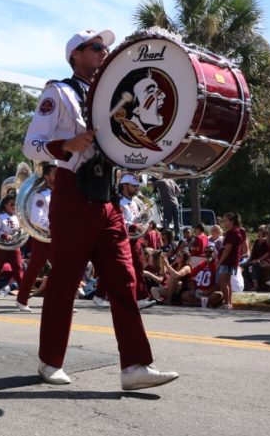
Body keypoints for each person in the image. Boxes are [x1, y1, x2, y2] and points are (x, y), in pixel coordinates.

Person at [22, 28, 177, 390]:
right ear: (75, 54)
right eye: (96, 47)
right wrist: (67, 144)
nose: (104, 52)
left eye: (105, 47)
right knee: (63, 281)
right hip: (74, 193)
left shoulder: (112, 97)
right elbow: (31, 145)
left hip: (107, 197)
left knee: (125, 279)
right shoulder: (58, 92)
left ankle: (134, 366)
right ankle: (50, 361)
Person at [15, 163, 55, 313]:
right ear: (46, 177)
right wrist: (54, 228)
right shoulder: (41, 195)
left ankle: (61, 302)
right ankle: (21, 300)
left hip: (57, 238)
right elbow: (36, 219)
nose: (58, 176)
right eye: (54, 173)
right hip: (43, 238)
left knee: (62, 269)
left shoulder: (63, 193)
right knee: (34, 268)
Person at [118, 174, 156, 309]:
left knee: (137, 267)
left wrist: (144, 221)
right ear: (124, 186)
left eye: (136, 186)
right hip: (124, 239)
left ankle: (139, 297)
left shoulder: (134, 202)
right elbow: (119, 221)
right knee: (130, 269)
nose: (136, 188)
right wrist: (134, 226)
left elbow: (135, 219)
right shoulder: (118, 202)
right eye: (133, 186)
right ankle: (139, 297)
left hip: (135, 239)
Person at [0, 196, 24, 299]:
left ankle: (24, 292)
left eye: (15, 204)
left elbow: (21, 229)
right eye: (11, 204)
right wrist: (4, 236)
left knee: (18, 268)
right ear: (5, 205)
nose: (14, 206)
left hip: (14, 246)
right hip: (2, 246)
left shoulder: (17, 216)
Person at [217, 212, 247, 309]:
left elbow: (227, 248)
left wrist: (220, 262)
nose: (223, 223)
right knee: (227, 281)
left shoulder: (232, 232)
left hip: (227, 260)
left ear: (232, 221)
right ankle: (229, 303)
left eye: (225, 220)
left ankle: (227, 303)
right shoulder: (238, 230)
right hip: (232, 260)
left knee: (222, 281)